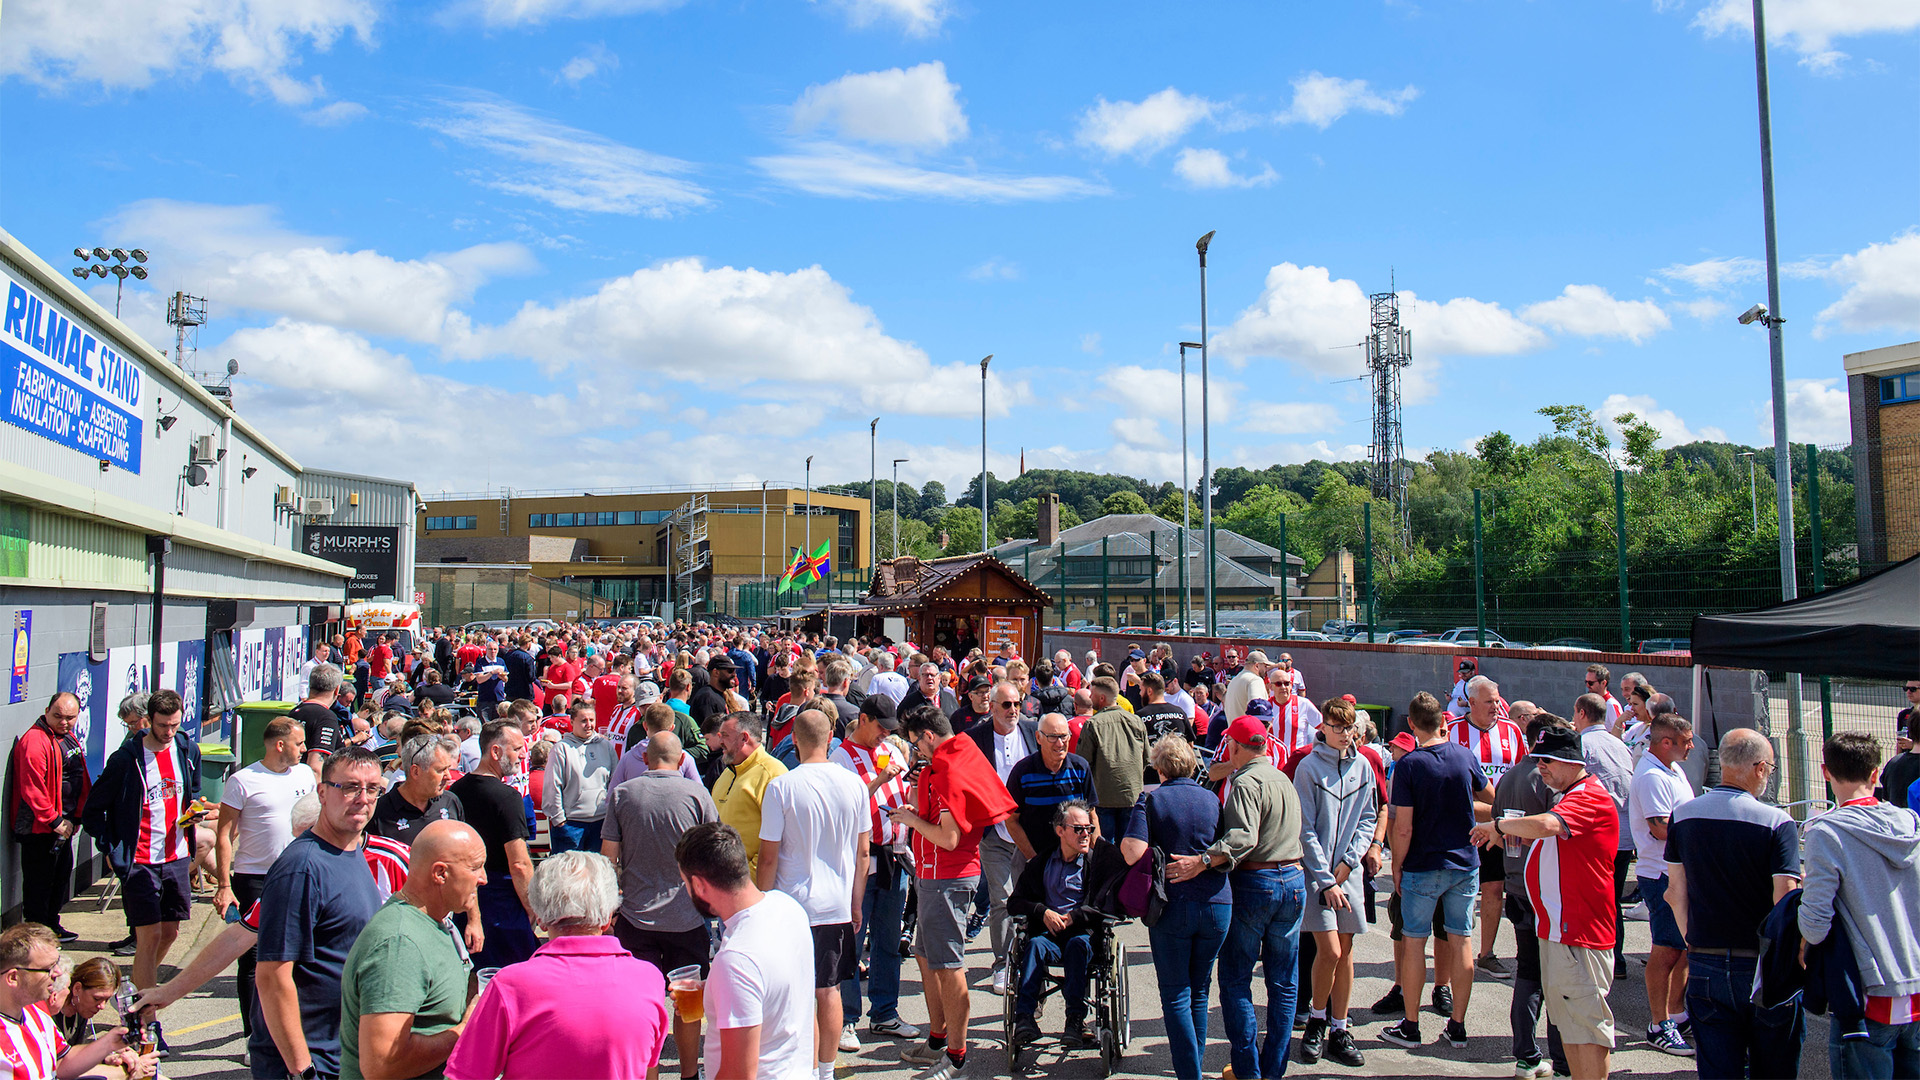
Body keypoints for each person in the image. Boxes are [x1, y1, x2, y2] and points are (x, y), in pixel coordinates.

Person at [1470, 725, 1621, 1080]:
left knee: (1587, 1029)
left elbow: (1549, 827)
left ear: (1573, 762)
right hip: (1560, 931)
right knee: (1571, 1028)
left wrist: (1501, 827)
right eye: (1538, 760)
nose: (1541, 768)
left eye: (1549, 761)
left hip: (1579, 933)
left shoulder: (1587, 795)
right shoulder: (1569, 794)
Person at [1161, 714, 1304, 1078]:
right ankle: (1272, 1070)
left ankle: (1247, 1070)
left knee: (1236, 979)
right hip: (1294, 880)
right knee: (1283, 982)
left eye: (1231, 745)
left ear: (1238, 747)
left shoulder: (1246, 781)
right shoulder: (1282, 779)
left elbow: (1244, 837)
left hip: (1258, 881)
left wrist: (1203, 860)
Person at [447, 851, 672, 1080]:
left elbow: (466, 1074)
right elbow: (646, 1064)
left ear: (542, 920)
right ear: (607, 918)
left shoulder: (510, 986)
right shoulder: (649, 979)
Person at [1664, 727, 1804, 1078]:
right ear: (1759, 768)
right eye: (1770, 769)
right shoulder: (1777, 822)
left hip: (1705, 960)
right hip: (1761, 965)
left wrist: (1691, 940)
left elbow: (1674, 892)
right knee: (1774, 1067)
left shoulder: (1683, 815)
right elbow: (1785, 894)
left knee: (1717, 1068)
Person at [890, 704, 1017, 1079]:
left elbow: (948, 837)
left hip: (948, 876)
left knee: (947, 965)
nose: (917, 751)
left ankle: (956, 1057)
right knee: (929, 959)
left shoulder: (948, 768)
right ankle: (937, 1038)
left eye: (917, 743)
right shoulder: (950, 760)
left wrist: (910, 818)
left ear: (929, 736)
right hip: (935, 876)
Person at [249, 746, 386, 1079]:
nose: (363, 798)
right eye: (350, 787)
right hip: (310, 1062)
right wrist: (302, 1069)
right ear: (323, 793)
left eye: (372, 789)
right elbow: (272, 976)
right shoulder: (302, 868)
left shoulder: (350, 852)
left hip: (342, 1052)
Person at [1797, 731, 1920, 1080]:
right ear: (1876, 773)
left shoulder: (1825, 832)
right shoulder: (1911, 824)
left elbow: (1815, 924)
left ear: (1825, 771)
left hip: (1870, 990)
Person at [757, 710, 870, 1080]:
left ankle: (804, 1067)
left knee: (798, 994)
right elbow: (863, 852)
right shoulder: (853, 785)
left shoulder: (782, 787)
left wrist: (760, 903)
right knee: (829, 989)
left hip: (792, 906)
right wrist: (855, 903)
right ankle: (824, 1070)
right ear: (832, 736)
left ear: (794, 739)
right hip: (835, 904)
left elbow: (769, 855)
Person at [602, 731, 717, 1080]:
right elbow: (714, 853)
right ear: (682, 760)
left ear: (646, 760)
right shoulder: (698, 794)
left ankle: (648, 1074)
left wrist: (610, 907)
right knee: (689, 1005)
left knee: (642, 1006)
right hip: (688, 917)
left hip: (636, 918)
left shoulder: (623, 794)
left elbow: (608, 857)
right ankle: (688, 1074)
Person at [1383, 690, 1492, 1051]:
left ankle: (1411, 1025)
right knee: (1461, 940)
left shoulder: (1410, 765)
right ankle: (1457, 1025)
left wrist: (1396, 865)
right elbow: (1489, 795)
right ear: (1443, 721)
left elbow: (1403, 826)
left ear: (1412, 724)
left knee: (1415, 942)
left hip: (1422, 864)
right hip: (1463, 863)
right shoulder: (1464, 755)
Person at [80, 688, 204, 998]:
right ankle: (144, 1016)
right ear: (148, 721)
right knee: (148, 936)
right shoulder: (126, 760)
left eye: (175, 725)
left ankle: (135, 989)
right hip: (140, 861)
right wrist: (110, 848)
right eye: (163, 726)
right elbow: (93, 810)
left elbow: (194, 794)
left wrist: (194, 814)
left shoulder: (187, 750)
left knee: (170, 933)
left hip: (175, 856)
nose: (169, 732)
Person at [340, 820, 485, 1080]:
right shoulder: (399, 944)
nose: (483, 879)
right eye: (475, 868)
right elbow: (382, 1064)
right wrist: (464, 1032)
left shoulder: (434, 921)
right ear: (440, 874)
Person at [1121, 735, 1229, 1080]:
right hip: (1217, 903)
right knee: (1199, 989)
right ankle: (1192, 1066)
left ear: (1159, 767)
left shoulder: (1151, 800)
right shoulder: (1213, 799)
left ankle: (1189, 1074)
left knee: (1176, 993)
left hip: (1174, 904)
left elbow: (1133, 851)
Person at [675, 822, 816, 1080]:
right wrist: (711, 990)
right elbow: (785, 995)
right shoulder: (789, 908)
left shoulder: (736, 960)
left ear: (699, 885)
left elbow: (738, 1074)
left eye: (685, 883)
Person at [212, 716, 317, 1043]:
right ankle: (252, 1034)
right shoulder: (243, 780)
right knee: (254, 961)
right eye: (299, 743)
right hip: (255, 879)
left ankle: (293, 1032)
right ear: (279, 744)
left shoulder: (304, 774)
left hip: (299, 874)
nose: (305, 749)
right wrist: (224, 885)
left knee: (300, 957)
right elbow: (225, 834)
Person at [829, 696, 922, 1044]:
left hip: (894, 855)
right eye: (880, 727)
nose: (885, 734)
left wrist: (911, 789)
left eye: (889, 729)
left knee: (887, 939)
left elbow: (900, 794)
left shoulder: (894, 751)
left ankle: (884, 1012)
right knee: (852, 938)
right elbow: (843, 808)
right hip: (859, 859)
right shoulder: (841, 758)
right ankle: (846, 1018)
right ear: (863, 719)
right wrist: (880, 781)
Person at [1292, 699, 1377, 1068]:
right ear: (1323, 726)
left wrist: (1348, 863)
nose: (1344, 734)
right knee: (1329, 952)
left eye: (1348, 727)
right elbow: (1305, 828)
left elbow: (1368, 817)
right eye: (1337, 726)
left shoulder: (1364, 766)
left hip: (1349, 875)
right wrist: (1327, 879)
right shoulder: (1308, 767)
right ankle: (1316, 1019)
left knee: (1346, 952)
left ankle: (1340, 1029)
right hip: (1318, 879)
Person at [1005, 800, 1128, 1051]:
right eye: (1079, 829)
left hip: (1083, 936)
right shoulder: (1042, 863)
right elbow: (1015, 902)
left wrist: (1077, 917)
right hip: (1048, 934)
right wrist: (1043, 911)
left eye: (1089, 829)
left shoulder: (1097, 864)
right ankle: (1025, 1017)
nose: (1085, 834)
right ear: (1060, 830)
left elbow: (1111, 906)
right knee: (1035, 945)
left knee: (1077, 945)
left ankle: (1075, 1019)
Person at [1494, 714, 1574, 1080]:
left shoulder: (1509, 776)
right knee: (1552, 976)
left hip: (1517, 885)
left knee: (1529, 972)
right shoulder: (1547, 781)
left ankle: (1526, 1055)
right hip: (1543, 889)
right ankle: (1559, 1058)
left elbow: (1499, 827)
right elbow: (1555, 830)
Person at [0, 923, 157, 1080]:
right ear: (14, 977)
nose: (58, 972)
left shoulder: (35, 1009)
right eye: (48, 969)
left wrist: (109, 1043)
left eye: (56, 964)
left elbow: (61, 1062)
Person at [1448, 675, 1527, 982]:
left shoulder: (1511, 731)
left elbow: (1522, 774)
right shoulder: (1453, 732)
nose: (1497, 706)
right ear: (1471, 702)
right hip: (1464, 826)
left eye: (1498, 699)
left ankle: (1487, 954)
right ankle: (1458, 950)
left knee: (1494, 888)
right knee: (1461, 890)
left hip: (1501, 825)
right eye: (1490, 701)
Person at [1627, 714, 1697, 1056]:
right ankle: (1659, 1024)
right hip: (1661, 874)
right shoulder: (1653, 776)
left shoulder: (1672, 770)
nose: (1692, 747)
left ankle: (1677, 1014)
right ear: (1666, 742)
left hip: (1679, 872)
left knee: (1683, 947)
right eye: (1687, 741)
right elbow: (1660, 828)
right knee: (1667, 949)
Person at [967, 680, 1039, 996]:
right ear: (992, 706)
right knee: (1002, 898)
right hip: (993, 833)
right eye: (1006, 705)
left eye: (1017, 704)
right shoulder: (975, 738)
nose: (1013, 710)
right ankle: (1003, 963)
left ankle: (1031, 957)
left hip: (1030, 832)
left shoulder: (1032, 731)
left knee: (1034, 896)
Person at [449, 720, 539, 971]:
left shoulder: (455, 791)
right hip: (502, 901)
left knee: (472, 977)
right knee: (513, 976)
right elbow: (519, 863)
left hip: (465, 897)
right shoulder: (508, 798)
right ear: (496, 752)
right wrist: (532, 908)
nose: (523, 754)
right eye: (517, 748)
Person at [10, 693, 90, 942]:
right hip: (40, 829)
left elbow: (79, 777)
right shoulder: (34, 741)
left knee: (60, 878)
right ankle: (36, 936)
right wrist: (54, 821)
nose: (64, 722)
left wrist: (76, 817)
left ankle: (51, 926)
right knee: (39, 884)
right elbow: (32, 788)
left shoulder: (67, 737)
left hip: (64, 824)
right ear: (46, 711)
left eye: (70, 717)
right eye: (58, 716)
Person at [1572, 691, 1635, 980]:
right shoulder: (1619, 744)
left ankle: (1599, 958)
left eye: (1575, 714)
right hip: (1625, 835)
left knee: (1594, 898)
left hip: (1598, 835)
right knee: (1613, 899)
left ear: (1582, 714)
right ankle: (1617, 959)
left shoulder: (1582, 744)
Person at [711, 712, 788, 876]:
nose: (720, 741)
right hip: (721, 881)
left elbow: (778, 841)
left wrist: (747, 881)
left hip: (746, 888)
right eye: (719, 735)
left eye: (724, 735)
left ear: (744, 738)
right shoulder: (727, 772)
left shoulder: (773, 774)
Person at [1077, 677, 1149, 840]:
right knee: (1129, 849)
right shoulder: (1136, 721)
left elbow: (1083, 764)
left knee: (1106, 851)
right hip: (1132, 795)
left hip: (1104, 798)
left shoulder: (1093, 724)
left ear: (1102, 698)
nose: (1089, 698)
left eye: (1092, 694)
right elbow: (1146, 758)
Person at [544, 699, 616, 854]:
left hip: (601, 823)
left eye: (591, 720)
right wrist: (559, 820)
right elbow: (553, 785)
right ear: (572, 722)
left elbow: (614, 782)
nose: (588, 725)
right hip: (571, 825)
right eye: (583, 721)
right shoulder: (561, 749)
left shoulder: (606, 747)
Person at [370, 733, 465, 845]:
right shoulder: (379, 813)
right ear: (416, 771)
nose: (448, 776)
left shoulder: (450, 802)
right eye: (440, 770)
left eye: (448, 769)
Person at [293, 665, 349, 776]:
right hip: (308, 788)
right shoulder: (326, 718)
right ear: (337, 690)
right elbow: (316, 768)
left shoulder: (295, 712)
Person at [1222, 650, 1272, 723]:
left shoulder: (1234, 680)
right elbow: (1258, 710)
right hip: (1249, 732)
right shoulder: (1255, 680)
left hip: (1233, 731)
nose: (1266, 669)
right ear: (1257, 666)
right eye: (1265, 666)